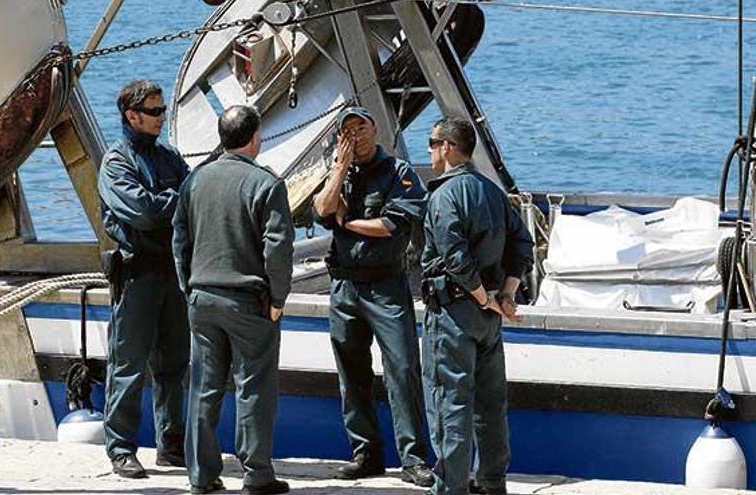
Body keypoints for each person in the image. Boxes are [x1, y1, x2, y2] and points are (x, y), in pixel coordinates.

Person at [173, 105, 294, 495]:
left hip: (202, 297)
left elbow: (179, 241)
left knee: (204, 388)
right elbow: (278, 248)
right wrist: (278, 297)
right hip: (248, 301)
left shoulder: (195, 180)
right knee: (254, 385)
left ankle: (201, 476)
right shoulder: (266, 184)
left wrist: (188, 287)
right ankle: (257, 474)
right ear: (256, 137)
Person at [312, 106, 433, 487]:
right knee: (351, 373)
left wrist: (347, 223)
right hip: (345, 286)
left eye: (361, 129)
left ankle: (413, 458)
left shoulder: (398, 173)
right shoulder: (339, 172)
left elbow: (390, 225)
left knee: (401, 370)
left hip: (385, 287)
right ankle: (366, 454)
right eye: (347, 132)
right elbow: (321, 209)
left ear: (375, 130)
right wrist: (338, 170)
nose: (356, 138)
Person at [420, 117, 534, 495]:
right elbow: (523, 244)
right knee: (490, 403)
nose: (430, 149)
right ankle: (491, 481)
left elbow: (454, 257)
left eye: (433, 142)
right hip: (488, 320)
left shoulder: (444, 195)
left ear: (449, 147)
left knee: (450, 403)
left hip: (453, 315)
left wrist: (484, 297)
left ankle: (450, 487)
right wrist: (506, 295)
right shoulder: (492, 191)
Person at [97, 79, 190, 478]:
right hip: (136, 276)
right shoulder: (116, 163)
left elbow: (193, 200)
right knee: (129, 364)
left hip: (172, 273)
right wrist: (176, 203)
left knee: (174, 364)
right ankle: (120, 448)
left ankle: (171, 446)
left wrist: (171, 205)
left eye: (162, 110)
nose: (161, 118)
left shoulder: (169, 159)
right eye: (154, 112)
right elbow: (145, 213)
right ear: (131, 115)